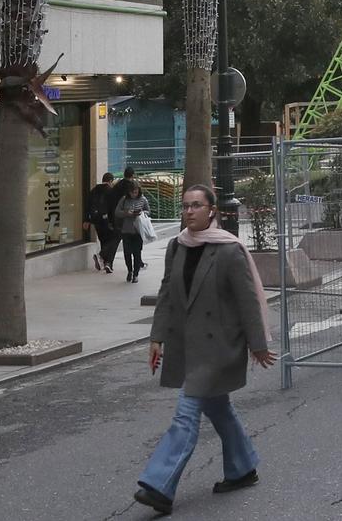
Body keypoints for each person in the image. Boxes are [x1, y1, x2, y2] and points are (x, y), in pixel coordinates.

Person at [134, 185, 275, 516]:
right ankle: (242, 468)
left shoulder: (229, 250)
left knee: (186, 413)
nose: (190, 211)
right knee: (218, 409)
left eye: (196, 205)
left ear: (212, 210)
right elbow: (167, 292)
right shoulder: (177, 246)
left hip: (218, 346)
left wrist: (258, 344)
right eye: (185, 206)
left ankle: (159, 485)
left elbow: (247, 301)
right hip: (188, 344)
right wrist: (157, 337)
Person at [114, 178, 151, 283]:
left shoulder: (143, 199)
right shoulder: (124, 199)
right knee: (127, 253)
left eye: (136, 192)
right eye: (132, 192)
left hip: (138, 231)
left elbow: (148, 211)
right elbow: (117, 212)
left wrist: (142, 213)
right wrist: (127, 213)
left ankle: (136, 274)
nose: (134, 194)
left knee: (137, 253)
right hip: (126, 230)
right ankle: (129, 271)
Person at [86, 172, 120, 274]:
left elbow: (87, 205)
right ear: (110, 181)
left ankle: (106, 263)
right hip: (108, 221)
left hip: (96, 221)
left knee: (104, 241)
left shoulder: (93, 191)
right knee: (114, 239)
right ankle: (104, 259)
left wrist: (87, 220)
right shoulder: (111, 191)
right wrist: (113, 222)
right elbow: (113, 208)